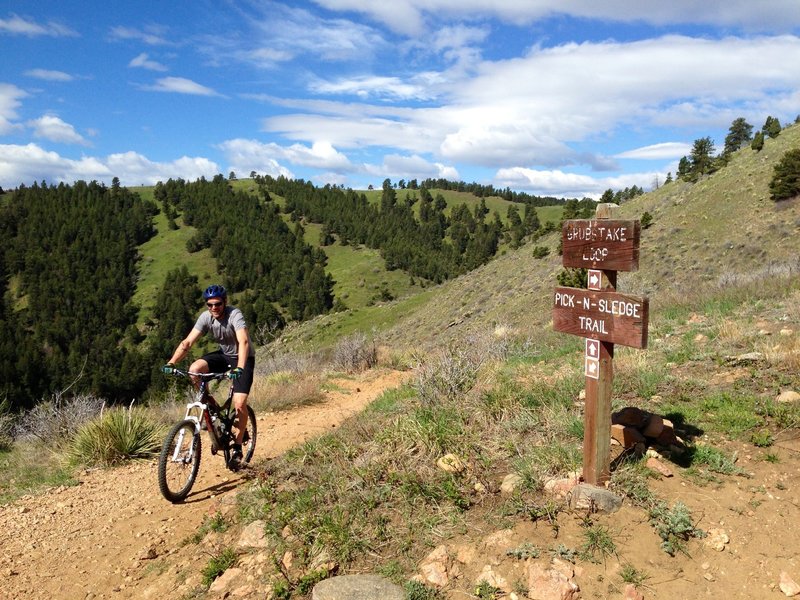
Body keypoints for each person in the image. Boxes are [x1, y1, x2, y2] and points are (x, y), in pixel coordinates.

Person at [162, 284, 255, 467]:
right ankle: (209, 404)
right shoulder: (206, 317)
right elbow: (187, 342)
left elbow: (243, 341)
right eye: (210, 304)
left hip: (243, 358)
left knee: (239, 403)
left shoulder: (234, 314)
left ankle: (237, 447)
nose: (214, 308)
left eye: (218, 304)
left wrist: (240, 368)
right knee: (195, 369)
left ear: (225, 302)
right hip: (223, 355)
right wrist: (172, 362)